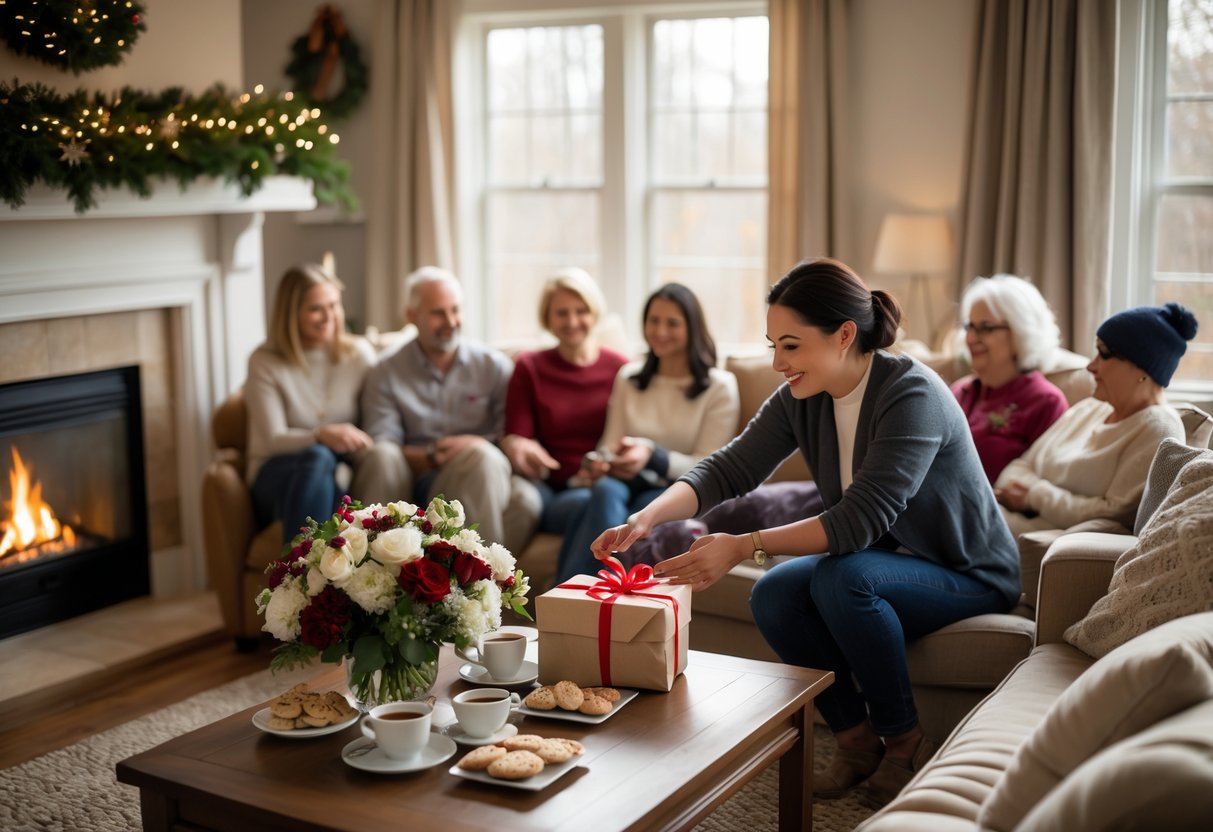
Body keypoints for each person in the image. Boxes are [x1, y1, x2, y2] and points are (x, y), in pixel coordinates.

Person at [590, 258, 1020, 807]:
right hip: (881, 560)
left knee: (842, 580)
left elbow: (856, 521)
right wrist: (647, 517)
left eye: (790, 345)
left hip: (967, 570)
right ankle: (855, 740)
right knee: (772, 592)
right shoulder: (806, 395)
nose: (777, 362)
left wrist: (743, 546)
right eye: (773, 344)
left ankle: (904, 740)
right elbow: (729, 468)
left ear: (844, 335)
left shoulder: (912, 395)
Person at [554, 283, 739, 585]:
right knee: (605, 489)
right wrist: (599, 461)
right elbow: (608, 446)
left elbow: (710, 466)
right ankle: (581, 597)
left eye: (672, 323)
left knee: (601, 507)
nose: (660, 331)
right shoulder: (629, 378)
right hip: (622, 483)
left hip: (676, 489)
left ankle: (568, 596)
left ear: (692, 327)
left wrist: (653, 456)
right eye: (653, 321)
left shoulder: (720, 387)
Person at [357, 267, 541, 553]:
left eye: (456, 310)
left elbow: (511, 434)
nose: (451, 321)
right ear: (411, 316)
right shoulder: (386, 371)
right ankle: (378, 567)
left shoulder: (493, 366)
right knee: (381, 456)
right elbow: (383, 442)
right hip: (413, 474)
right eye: (438, 313)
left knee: (524, 498)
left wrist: (475, 446)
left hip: (481, 472)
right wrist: (432, 455)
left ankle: (477, 583)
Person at [995, 303, 1198, 537]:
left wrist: (1034, 496)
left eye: (1103, 353)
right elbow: (1018, 466)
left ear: (1143, 367)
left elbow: (1116, 513)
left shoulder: (1159, 427)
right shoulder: (1090, 408)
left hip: (1037, 538)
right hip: (1003, 518)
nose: (1090, 366)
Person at [245, 263, 377, 543]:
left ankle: (308, 573)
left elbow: (376, 419)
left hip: (336, 469)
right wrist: (320, 435)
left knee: (329, 468)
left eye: (334, 305)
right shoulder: (264, 362)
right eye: (316, 308)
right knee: (320, 456)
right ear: (291, 314)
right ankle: (303, 569)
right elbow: (272, 440)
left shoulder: (359, 354)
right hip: (276, 473)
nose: (329, 316)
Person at [501, 268, 629, 541]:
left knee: (601, 499)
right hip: (549, 485)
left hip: (603, 483)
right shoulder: (529, 366)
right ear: (547, 318)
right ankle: (597, 584)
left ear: (594, 313)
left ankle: (571, 584)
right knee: (592, 505)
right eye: (561, 313)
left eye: (581, 311)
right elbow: (517, 435)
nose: (572, 321)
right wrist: (521, 447)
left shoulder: (621, 369)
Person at [950, 275, 1069, 483]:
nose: (971, 338)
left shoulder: (1046, 401)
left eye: (986, 328)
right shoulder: (959, 391)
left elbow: (1044, 483)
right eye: (970, 326)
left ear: (1021, 331)